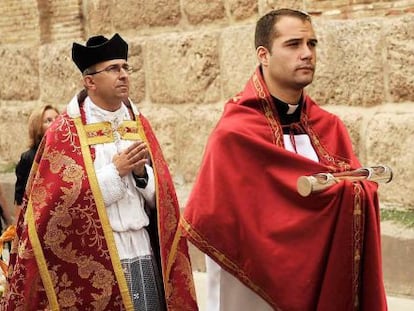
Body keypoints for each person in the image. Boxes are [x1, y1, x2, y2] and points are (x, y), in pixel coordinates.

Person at [181, 8, 387, 311]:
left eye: (312, 44)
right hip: (256, 288)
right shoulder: (235, 134)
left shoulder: (330, 127)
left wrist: (354, 190)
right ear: (263, 55)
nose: (307, 54)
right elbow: (216, 219)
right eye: (293, 45)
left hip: (324, 278)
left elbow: (352, 193)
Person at [2, 33, 198, 310]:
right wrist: (115, 172)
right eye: (114, 69)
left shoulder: (138, 124)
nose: (124, 75)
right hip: (101, 253)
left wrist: (142, 176)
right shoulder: (65, 132)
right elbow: (56, 210)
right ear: (90, 81)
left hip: (143, 247)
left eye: (125, 68)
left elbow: (163, 202)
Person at [14, 105, 59, 214]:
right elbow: (20, 199)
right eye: (48, 121)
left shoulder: (69, 153)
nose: (55, 123)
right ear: (38, 128)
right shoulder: (29, 158)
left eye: (57, 119)